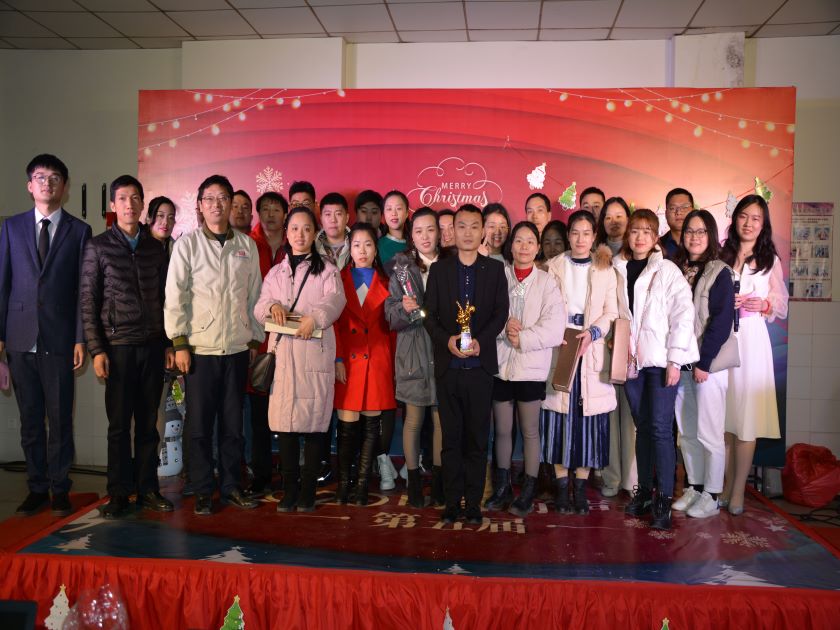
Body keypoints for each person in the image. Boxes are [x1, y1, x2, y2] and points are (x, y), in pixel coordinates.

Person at [164, 174, 264, 515]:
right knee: (199, 426)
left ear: (231, 204)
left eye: (223, 198)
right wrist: (179, 343)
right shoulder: (187, 245)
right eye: (210, 198)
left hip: (236, 348)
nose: (217, 204)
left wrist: (254, 337)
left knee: (234, 425)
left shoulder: (246, 246)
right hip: (200, 351)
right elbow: (175, 296)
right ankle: (203, 489)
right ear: (200, 205)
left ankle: (232, 486)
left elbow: (255, 295)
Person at [0, 154, 91, 517]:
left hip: (60, 339)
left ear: (64, 187)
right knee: (31, 420)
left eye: (55, 178)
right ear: (29, 185)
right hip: (20, 337)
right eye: (40, 177)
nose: (47, 183)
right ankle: (36, 487)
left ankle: (59, 488)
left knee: (61, 419)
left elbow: (84, 292)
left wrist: (80, 337)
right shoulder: (12, 227)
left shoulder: (79, 231)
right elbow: (3, 283)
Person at [80, 175, 174, 518]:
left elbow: (166, 299)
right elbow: (88, 302)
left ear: (142, 204)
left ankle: (147, 489)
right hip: (117, 348)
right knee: (119, 426)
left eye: (135, 198)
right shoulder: (98, 246)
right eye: (122, 198)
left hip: (152, 346)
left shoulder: (154, 248)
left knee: (148, 424)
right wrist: (97, 350)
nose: (129, 204)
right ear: (113, 205)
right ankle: (119, 492)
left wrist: (168, 343)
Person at [253, 206, 345, 512]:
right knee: (286, 428)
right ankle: (289, 490)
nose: (300, 234)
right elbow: (260, 306)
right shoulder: (276, 272)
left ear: (315, 233)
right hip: (283, 358)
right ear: (287, 232)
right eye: (294, 228)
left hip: (314, 356)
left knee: (315, 426)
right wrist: (272, 307)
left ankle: (308, 492)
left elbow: (336, 300)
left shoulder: (327, 269)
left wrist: (315, 318)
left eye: (306, 229)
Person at [424, 204, 509, 524]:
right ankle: (451, 503)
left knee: (477, 439)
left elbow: (500, 313)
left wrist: (481, 341)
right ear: (453, 231)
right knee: (451, 440)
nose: (468, 232)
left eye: (475, 226)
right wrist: (447, 340)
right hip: (449, 368)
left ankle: (473, 503)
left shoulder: (495, 270)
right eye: (462, 226)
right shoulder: (440, 271)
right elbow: (428, 316)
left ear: (483, 231)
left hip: (480, 369)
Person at [614, 208, 698, 530]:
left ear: (655, 237)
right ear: (628, 235)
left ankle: (663, 498)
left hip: (661, 362)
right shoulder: (618, 268)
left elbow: (683, 315)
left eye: (647, 232)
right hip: (631, 363)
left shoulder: (667, 270)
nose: (640, 237)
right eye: (635, 231)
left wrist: (675, 360)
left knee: (662, 430)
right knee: (643, 428)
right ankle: (645, 493)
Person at [541, 211, 618, 515]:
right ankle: (562, 488)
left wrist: (593, 332)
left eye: (587, 233)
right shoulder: (553, 267)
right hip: (560, 344)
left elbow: (611, 312)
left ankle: (581, 490)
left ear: (594, 236)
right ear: (568, 235)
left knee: (588, 421)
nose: (580, 239)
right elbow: (544, 307)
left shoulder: (605, 269)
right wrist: (555, 331)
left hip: (590, 347)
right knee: (558, 417)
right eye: (575, 232)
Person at [486, 221, 564, 517]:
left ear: (538, 247)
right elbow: (485, 316)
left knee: (530, 431)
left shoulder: (547, 282)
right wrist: (504, 328)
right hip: (501, 367)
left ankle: (528, 491)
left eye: (530, 241)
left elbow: (554, 328)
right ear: (511, 245)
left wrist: (523, 338)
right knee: (502, 430)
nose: (524, 247)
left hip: (531, 368)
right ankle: (502, 488)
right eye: (519, 240)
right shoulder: (498, 276)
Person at [720, 194, 788, 516]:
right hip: (722, 339)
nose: (748, 223)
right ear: (735, 219)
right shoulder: (722, 254)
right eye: (744, 216)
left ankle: (738, 493)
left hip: (752, 341)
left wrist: (764, 304)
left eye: (756, 218)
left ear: (764, 224)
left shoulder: (769, 259)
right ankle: (722, 487)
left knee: (746, 418)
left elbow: (781, 304)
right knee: (724, 418)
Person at [672, 209, 736, 519]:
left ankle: (712, 494)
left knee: (710, 432)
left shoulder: (720, 272)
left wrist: (705, 362)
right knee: (687, 432)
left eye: (700, 231)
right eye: (689, 231)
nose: (694, 237)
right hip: (682, 363)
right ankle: (694, 487)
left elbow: (721, 322)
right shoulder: (676, 269)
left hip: (707, 366)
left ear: (710, 235)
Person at [384, 208, 444, 508]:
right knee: (413, 420)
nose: (425, 236)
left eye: (430, 229)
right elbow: (390, 315)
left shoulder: (451, 264)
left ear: (439, 233)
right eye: (418, 231)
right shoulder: (401, 268)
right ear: (411, 235)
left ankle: (440, 483)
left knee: (441, 419)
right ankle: (414, 483)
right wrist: (403, 310)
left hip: (444, 350)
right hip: (412, 351)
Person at [334, 223, 396, 505]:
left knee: (372, 428)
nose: (362, 251)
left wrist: (392, 368)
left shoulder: (388, 283)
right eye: (357, 245)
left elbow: (393, 330)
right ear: (350, 248)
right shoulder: (337, 280)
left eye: (368, 244)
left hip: (377, 362)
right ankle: (343, 484)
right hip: (348, 362)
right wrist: (337, 358)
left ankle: (361, 486)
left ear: (376, 249)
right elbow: (334, 325)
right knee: (347, 429)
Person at [245, 191, 288, 497]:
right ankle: (260, 474)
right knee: (258, 415)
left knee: (287, 412)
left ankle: (289, 474)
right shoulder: (247, 244)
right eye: (265, 209)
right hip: (256, 341)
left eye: (276, 209)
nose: (271, 214)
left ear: (285, 214)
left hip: (289, 341)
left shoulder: (295, 244)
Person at [594, 196, 635, 498]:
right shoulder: (596, 255)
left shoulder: (641, 253)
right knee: (608, 410)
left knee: (630, 414)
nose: (614, 221)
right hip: (605, 339)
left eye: (620, 216)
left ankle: (631, 479)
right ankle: (611, 476)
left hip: (632, 341)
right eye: (608, 217)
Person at [316, 192, 351, 271]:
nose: (333, 220)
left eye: (338, 214)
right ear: (321, 218)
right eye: (328, 214)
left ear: (347, 218)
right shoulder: (312, 246)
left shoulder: (357, 244)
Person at [660, 188, 694, 259]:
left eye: (685, 207)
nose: (678, 212)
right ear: (666, 214)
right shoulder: (657, 246)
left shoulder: (705, 243)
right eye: (672, 208)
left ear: (693, 211)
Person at [378, 190, 410, 265]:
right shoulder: (377, 246)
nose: (394, 213)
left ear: (407, 213)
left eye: (398, 208)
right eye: (389, 209)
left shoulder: (416, 243)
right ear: (384, 214)